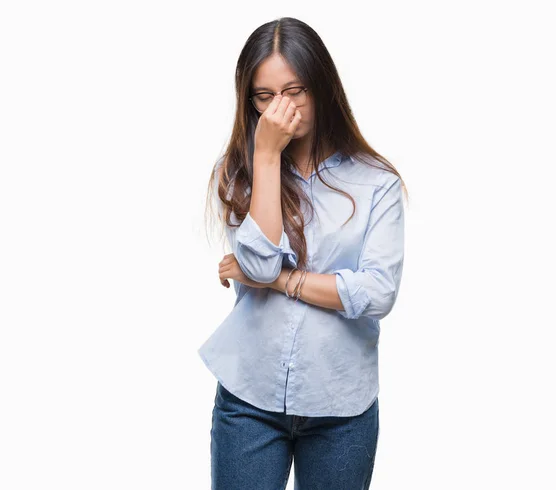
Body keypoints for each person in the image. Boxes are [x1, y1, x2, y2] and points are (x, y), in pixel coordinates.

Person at [198, 16, 408, 490]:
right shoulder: (240, 171)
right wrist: (267, 156)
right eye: (265, 96)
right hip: (249, 396)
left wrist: (279, 282)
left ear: (321, 87)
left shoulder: (378, 183)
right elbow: (258, 262)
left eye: (295, 92)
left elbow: (376, 293)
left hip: (341, 406)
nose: (280, 110)